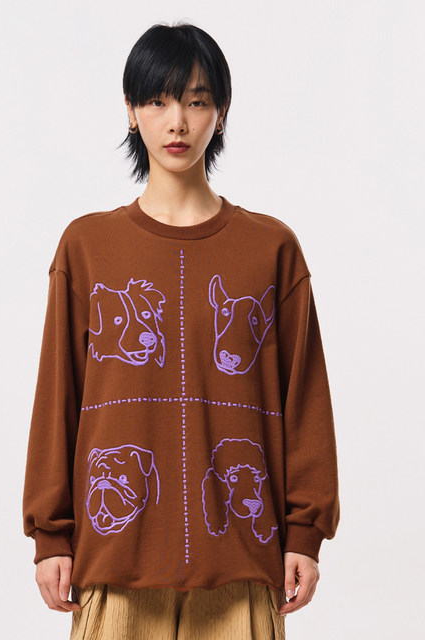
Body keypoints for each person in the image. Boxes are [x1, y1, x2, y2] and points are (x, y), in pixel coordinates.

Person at [22, 21, 340, 640]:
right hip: (114, 558)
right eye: (158, 100)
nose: (177, 123)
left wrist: (305, 532)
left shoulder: (271, 248)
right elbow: (58, 395)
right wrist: (50, 535)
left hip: (242, 558)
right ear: (131, 111)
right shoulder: (86, 246)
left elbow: (305, 399)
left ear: (221, 113)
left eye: (196, 101)